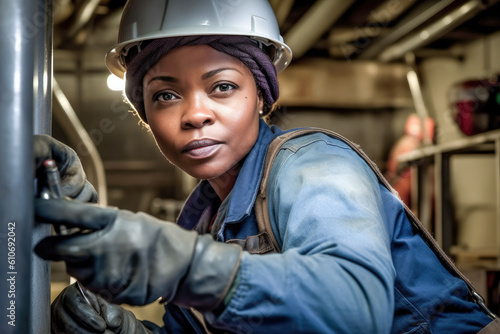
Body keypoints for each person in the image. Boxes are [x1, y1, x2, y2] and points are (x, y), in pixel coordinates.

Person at [34, 0, 498, 333]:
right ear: (145, 115)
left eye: (222, 87)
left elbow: (358, 310)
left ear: (261, 97)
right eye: (165, 95)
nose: (194, 114)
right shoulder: (204, 221)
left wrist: (189, 268)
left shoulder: (313, 166)